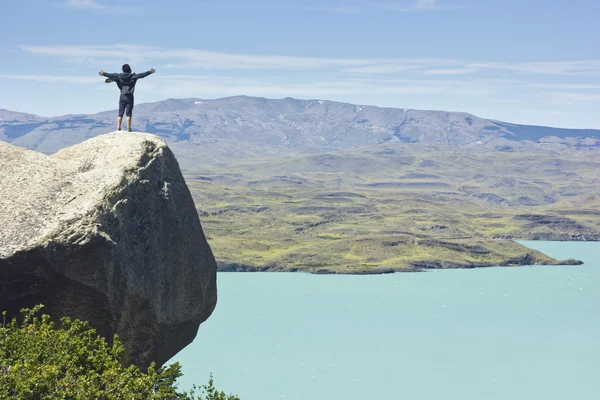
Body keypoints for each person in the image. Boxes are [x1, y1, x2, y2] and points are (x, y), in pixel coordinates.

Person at [98, 64, 156, 132]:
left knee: (120, 113)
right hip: (130, 96)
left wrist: (103, 73)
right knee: (129, 113)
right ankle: (128, 128)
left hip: (122, 96)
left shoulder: (118, 76)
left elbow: (110, 75)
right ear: (129, 69)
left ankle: (118, 128)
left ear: (123, 70)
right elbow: (141, 75)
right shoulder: (133, 76)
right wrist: (150, 72)